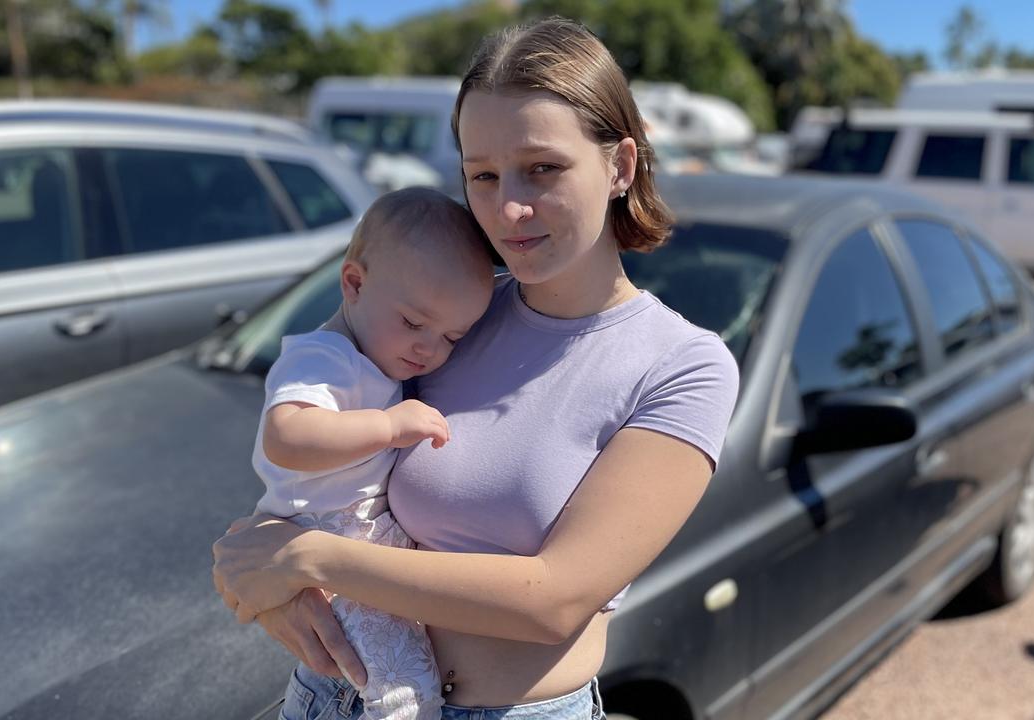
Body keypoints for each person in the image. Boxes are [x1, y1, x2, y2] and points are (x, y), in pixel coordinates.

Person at [213, 17, 741, 720]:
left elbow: (553, 600)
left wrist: (308, 561)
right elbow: (309, 437)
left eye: (542, 169)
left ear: (620, 166)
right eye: (482, 176)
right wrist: (257, 567)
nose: (508, 208)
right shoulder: (449, 314)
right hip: (331, 699)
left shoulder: (682, 366)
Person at [248, 186, 493, 720]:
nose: (429, 349)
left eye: (452, 336)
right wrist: (385, 425)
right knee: (397, 685)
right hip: (329, 531)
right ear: (354, 283)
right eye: (413, 323)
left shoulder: (380, 357)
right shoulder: (324, 356)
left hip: (354, 532)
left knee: (398, 665)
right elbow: (286, 436)